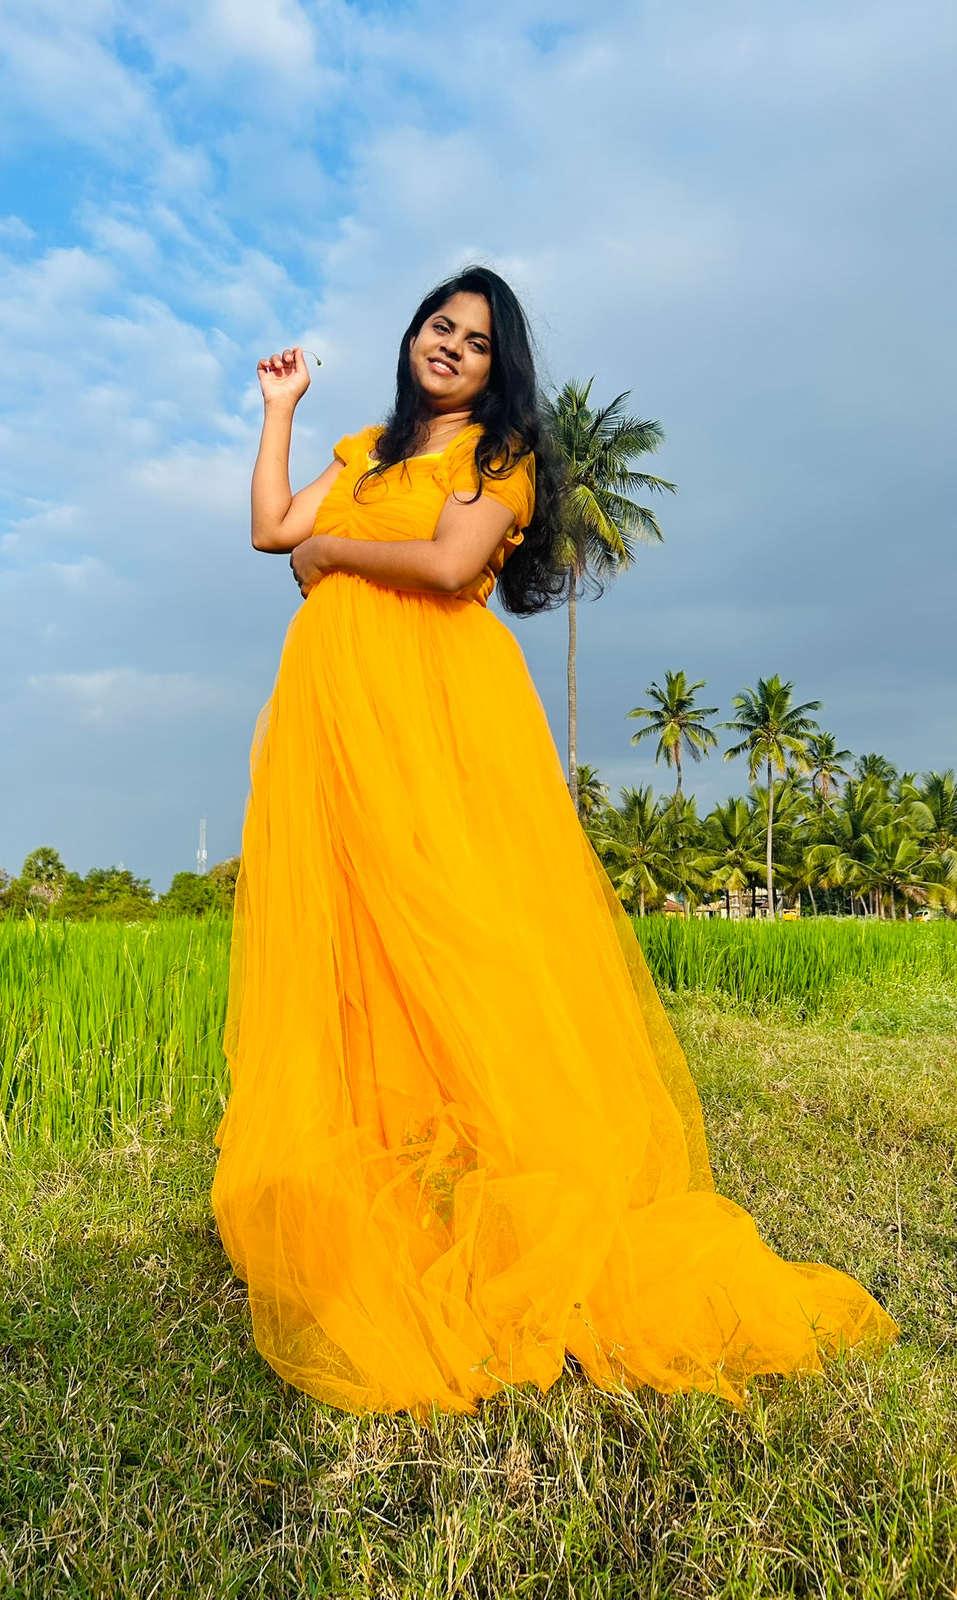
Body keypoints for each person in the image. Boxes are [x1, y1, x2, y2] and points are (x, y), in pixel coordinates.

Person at [211, 266, 897, 1416]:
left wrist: (329, 561)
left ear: (498, 366)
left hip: (435, 708)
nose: (453, 347)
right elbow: (269, 527)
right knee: (364, 935)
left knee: (463, 924)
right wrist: (279, 411)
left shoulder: (500, 458)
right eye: (441, 326)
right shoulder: (368, 445)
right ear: (414, 334)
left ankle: (525, 1171)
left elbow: (442, 566)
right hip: (343, 717)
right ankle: (414, 1167)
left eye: (478, 342)